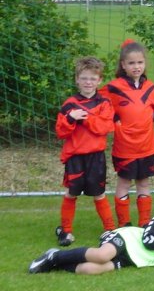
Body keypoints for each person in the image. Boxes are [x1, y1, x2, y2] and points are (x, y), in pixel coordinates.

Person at [29, 184, 154, 275]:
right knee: (102, 256)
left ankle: (56, 265)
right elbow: (148, 242)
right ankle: (55, 256)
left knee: (91, 269)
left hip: (136, 259)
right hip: (127, 239)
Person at [100, 40, 154, 227]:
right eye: (131, 63)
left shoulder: (150, 87)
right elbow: (99, 103)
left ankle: (145, 223)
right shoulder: (114, 87)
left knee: (143, 183)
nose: (136, 67)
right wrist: (113, 120)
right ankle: (124, 224)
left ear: (145, 63)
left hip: (147, 146)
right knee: (124, 183)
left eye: (140, 62)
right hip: (125, 147)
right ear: (123, 65)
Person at [54, 57, 116, 247]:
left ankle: (110, 230)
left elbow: (104, 127)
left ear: (99, 80)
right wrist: (70, 119)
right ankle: (66, 231)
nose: (88, 82)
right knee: (71, 193)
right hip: (75, 157)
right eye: (84, 78)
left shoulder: (104, 102)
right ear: (77, 79)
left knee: (99, 193)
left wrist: (86, 118)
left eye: (92, 78)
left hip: (96, 157)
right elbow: (61, 132)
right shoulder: (69, 105)